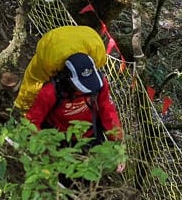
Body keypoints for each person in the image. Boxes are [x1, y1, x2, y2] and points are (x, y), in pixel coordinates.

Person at [16, 25, 124, 159]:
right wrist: (43, 147)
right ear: (69, 79)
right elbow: (33, 120)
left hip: (89, 135)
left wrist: (117, 142)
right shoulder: (51, 92)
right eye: (82, 86)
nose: (88, 89)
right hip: (58, 138)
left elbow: (106, 108)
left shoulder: (100, 83)